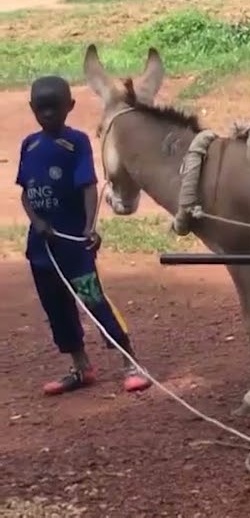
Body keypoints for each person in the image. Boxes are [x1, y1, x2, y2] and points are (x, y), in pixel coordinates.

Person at [17, 75, 151, 396]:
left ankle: (129, 362)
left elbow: (88, 186)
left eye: (55, 108)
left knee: (92, 299)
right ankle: (80, 366)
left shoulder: (76, 142)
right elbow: (25, 192)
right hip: (41, 247)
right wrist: (36, 221)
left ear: (70, 107)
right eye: (41, 108)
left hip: (73, 245)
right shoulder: (29, 145)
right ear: (32, 109)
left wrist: (90, 227)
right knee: (56, 308)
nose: (48, 114)